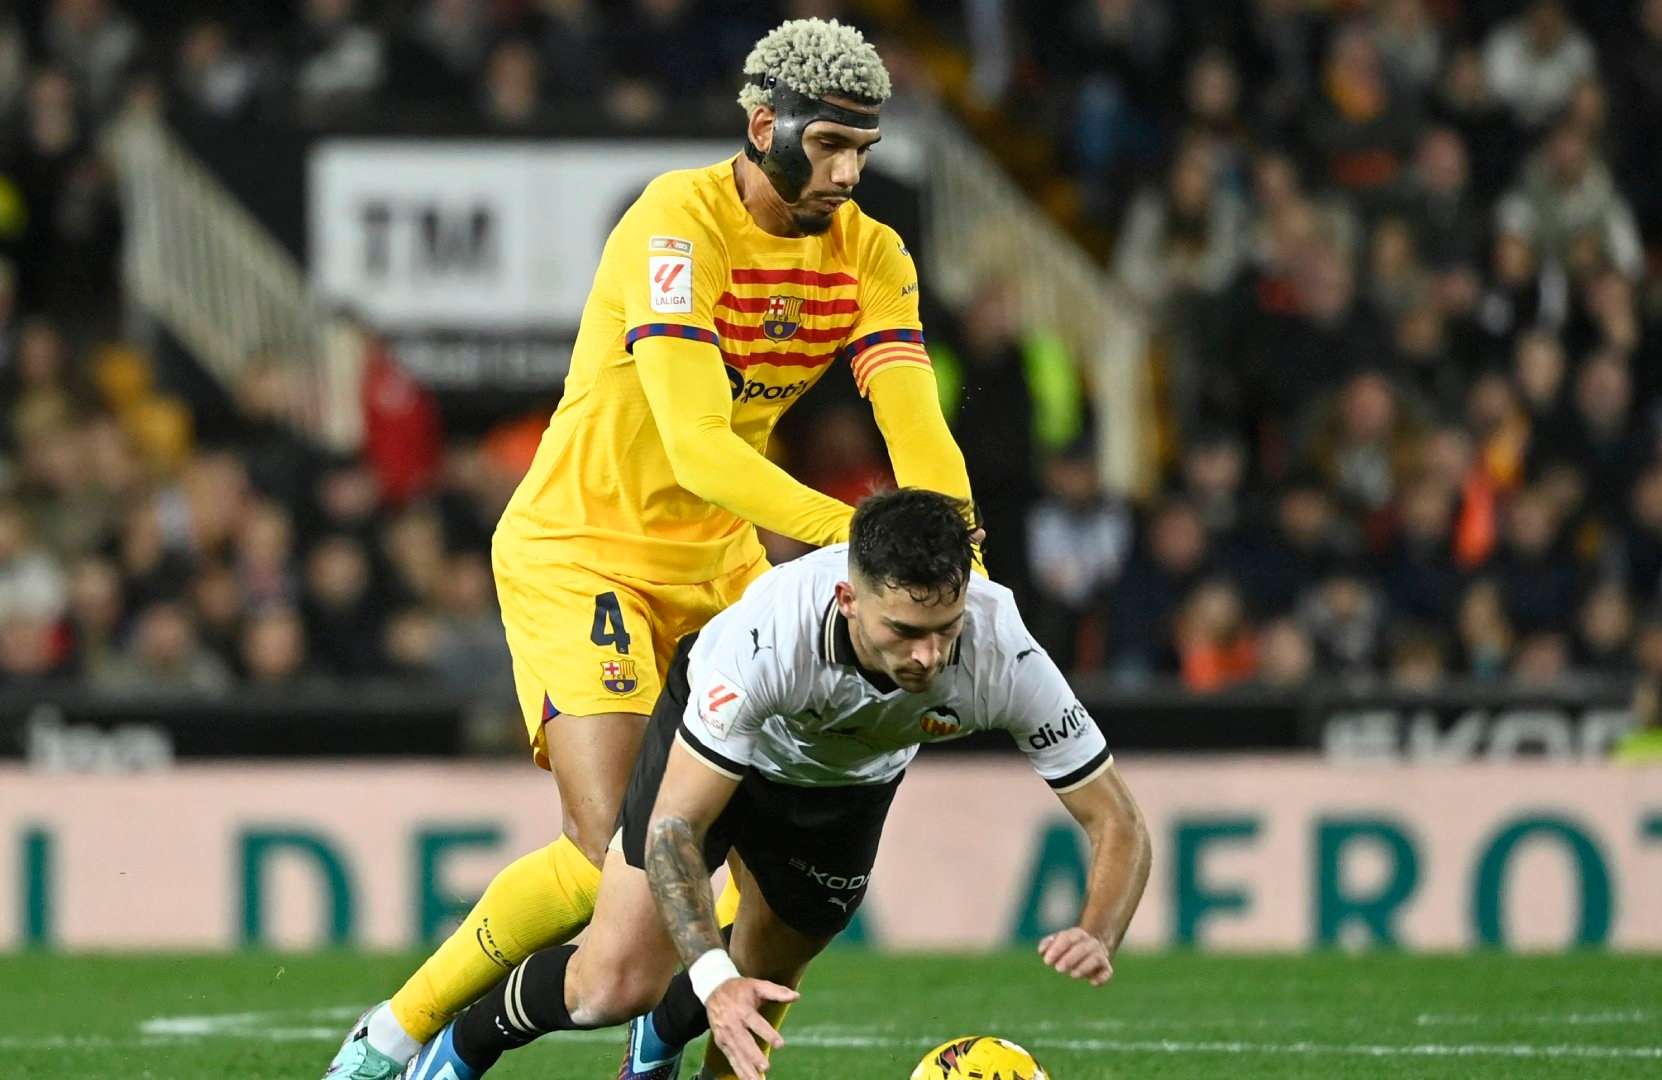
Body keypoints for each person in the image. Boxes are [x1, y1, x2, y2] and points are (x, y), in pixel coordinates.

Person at [324, 18, 977, 1080]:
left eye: (865, 150)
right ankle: (399, 1031)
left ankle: (661, 1028)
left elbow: (920, 436)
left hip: (720, 566)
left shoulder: (872, 255)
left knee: (737, 850)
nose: (850, 174)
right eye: (829, 147)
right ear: (764, 127)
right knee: (610, 849)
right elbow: (699, 447)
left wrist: (963, 576)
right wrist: (861, 550)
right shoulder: (675, 224)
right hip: (583, 547)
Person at [403, 489, 1151, 1080]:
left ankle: (661, 1040)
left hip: (845, 792)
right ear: (849, 599)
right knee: (612, 984)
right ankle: (460, 1048)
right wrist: (706, 971)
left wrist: (1098, 928)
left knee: (758, 996)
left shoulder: (1001, 650)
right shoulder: (770, 637)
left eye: (944, 628)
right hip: (724, 754)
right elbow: (675, 832)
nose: (927, 657)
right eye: (903, 632)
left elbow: (1117, 820)